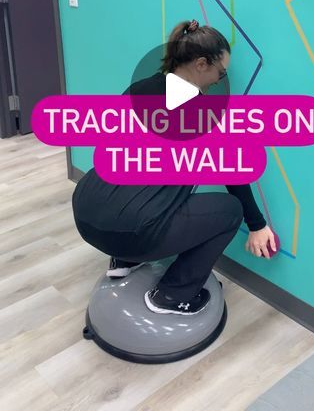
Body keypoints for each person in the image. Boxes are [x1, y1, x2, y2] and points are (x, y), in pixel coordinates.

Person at [72, 19, 276, 316]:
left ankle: (124, 260)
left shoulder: (137, 88)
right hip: (131, 230)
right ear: (202, 64)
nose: (221, 79)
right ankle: (171, 296)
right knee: (230, 210)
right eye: (221, 71)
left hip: (85, 211)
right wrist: (257, 226)